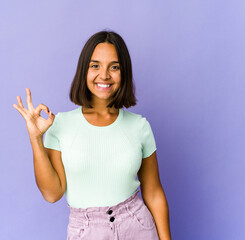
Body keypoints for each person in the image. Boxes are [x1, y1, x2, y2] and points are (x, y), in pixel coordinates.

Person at [13, 30, 171, 240]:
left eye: (114, 67)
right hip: (86, 230)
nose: (104, 75)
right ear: (83, 71)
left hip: (137, 227)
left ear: (124, 73)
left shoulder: (139, 126)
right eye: (95, 66)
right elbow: (52, 194)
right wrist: (35, 138)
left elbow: (153, 193)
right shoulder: (60, 124)